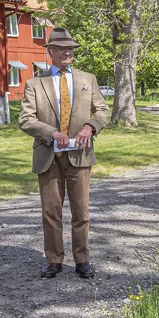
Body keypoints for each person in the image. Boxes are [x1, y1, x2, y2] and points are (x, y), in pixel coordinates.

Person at [19, 28, 110, 279]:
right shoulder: (35, 84)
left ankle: (82, 260)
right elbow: (26, 119)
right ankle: (54, 260)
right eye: (60, 48)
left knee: (81, 211)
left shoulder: (87, 79)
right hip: (49, 155)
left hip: (80, 154)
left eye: (70, 48)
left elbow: (102, 110)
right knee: (51, 212)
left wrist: (90, 127)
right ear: (50, 52)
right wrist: (50, 133)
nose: (67, 52)